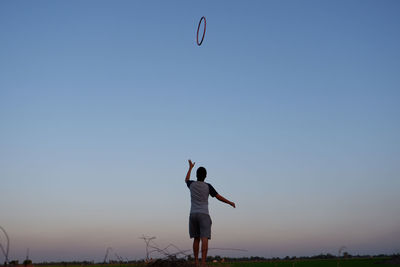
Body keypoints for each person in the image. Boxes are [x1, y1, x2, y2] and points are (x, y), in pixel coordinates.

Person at [185, 159, 235, 266]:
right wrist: (230, 202)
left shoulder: (191, 184)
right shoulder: (208, 186)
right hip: (204, 215)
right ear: (205, 176)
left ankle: (196, 262)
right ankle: (203, 263)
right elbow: (218, 197)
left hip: (193, 214)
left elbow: (186, 179)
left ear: (197, 175)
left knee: (196, 239)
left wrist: (190, 168)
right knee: (204, 238)